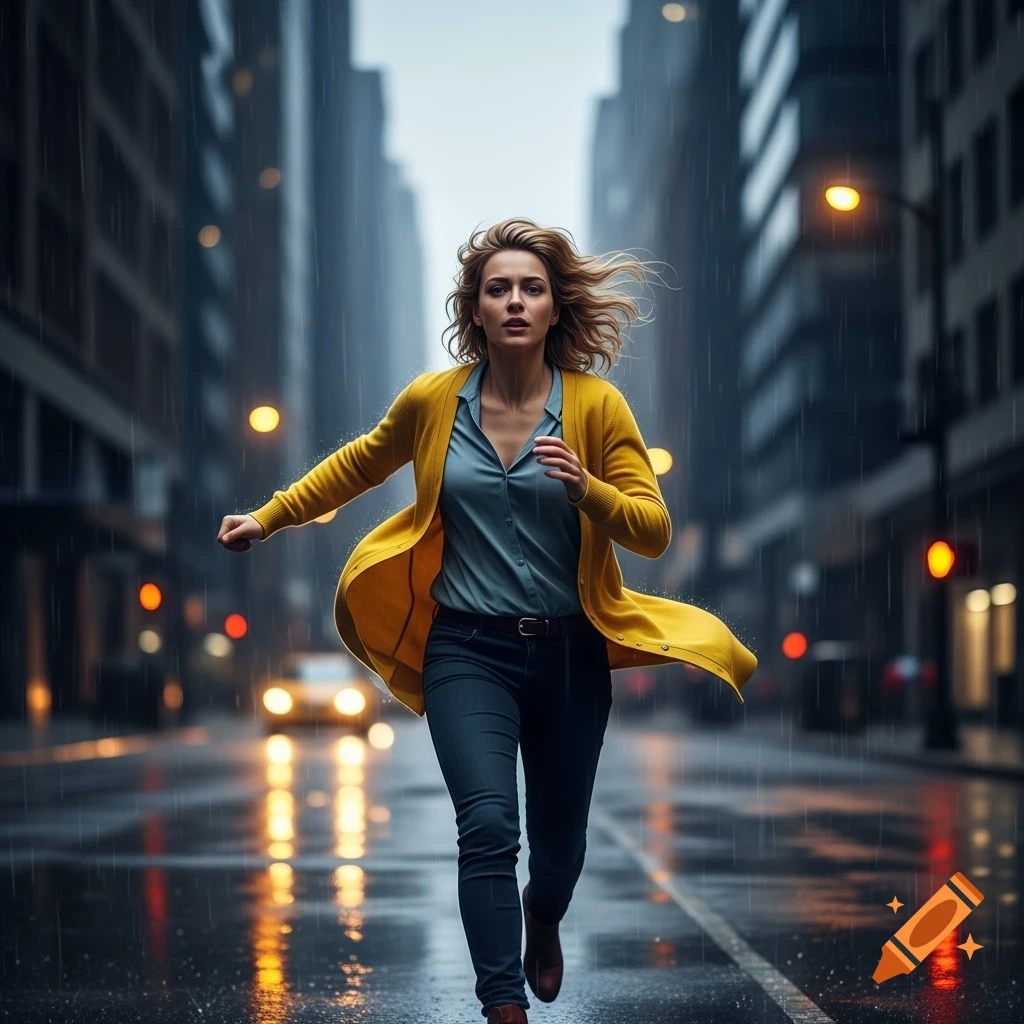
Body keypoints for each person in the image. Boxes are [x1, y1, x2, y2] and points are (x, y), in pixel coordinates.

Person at [217, 217, 757, 1022]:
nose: (514, 301)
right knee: (488, 825)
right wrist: (269, 516)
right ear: (474, 308)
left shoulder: (597, 407)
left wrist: (588, 490)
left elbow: (653, 530)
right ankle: (503, 1003)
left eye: (531, 289)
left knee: (561, 850)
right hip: (466, 650)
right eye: (497, 288)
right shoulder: (434, 402)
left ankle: (544, 914)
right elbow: (359, 463)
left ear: (554, 308)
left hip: (570, 654)